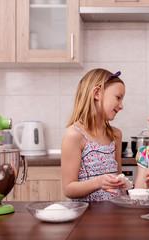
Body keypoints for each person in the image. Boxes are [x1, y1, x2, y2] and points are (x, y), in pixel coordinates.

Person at [61, 68, 126, 201]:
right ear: (97, 93)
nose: (121, 106)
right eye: (118, 98)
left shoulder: (115, 135)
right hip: (86, 215)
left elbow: (119, 179)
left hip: (114, 212)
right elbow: (68, 189)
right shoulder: (74, 135)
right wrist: (98, 182)